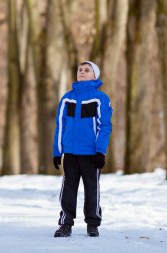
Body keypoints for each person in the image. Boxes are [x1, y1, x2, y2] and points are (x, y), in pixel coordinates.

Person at [52, 61, 113, 237]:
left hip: (91, 154)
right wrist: (57, 151)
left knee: (92, 188)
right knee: (68, 189)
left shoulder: (100, 99)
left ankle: (92, 224)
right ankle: (65, 223)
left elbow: (105, 126)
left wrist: (101, 151)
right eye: (80, 70)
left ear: (95, 75)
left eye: (87, 70)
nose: (82, 72)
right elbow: (60, 125)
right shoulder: (67, 98)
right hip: (70, 153)